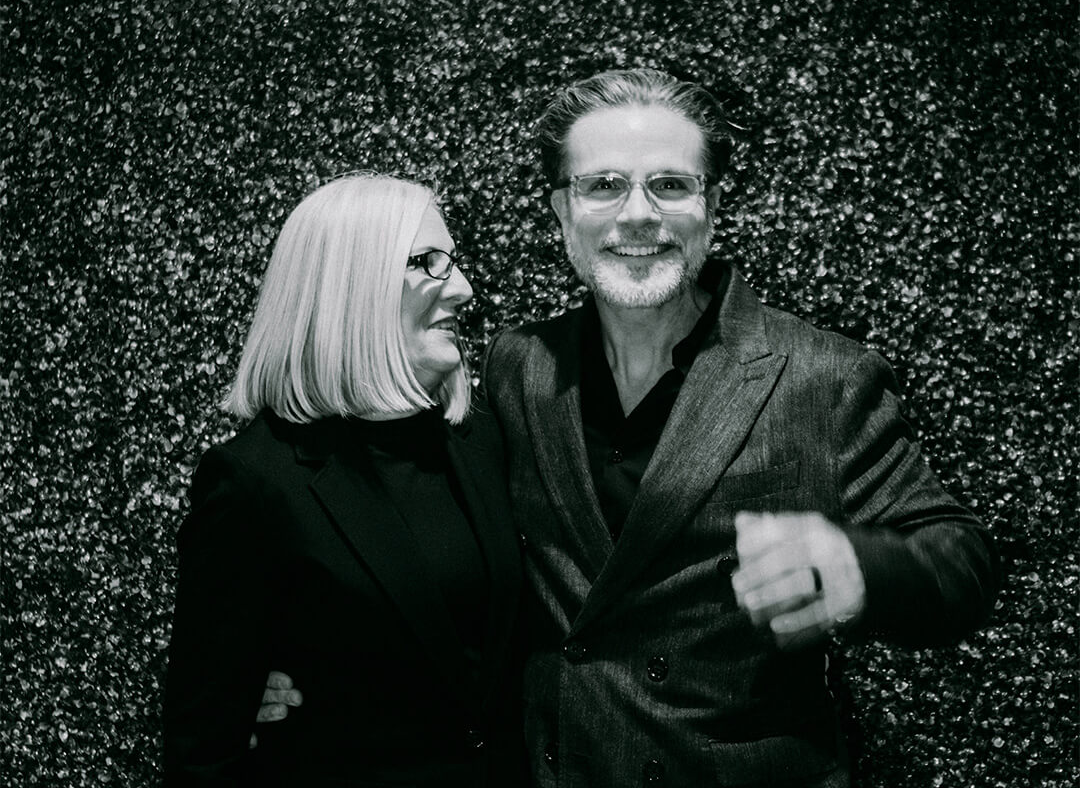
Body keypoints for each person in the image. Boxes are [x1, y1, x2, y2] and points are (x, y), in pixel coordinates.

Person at [259, 70, 1000, 787]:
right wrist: (305, 655)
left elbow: (962, 563)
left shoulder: (822, 374)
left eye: (670, 185)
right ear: (562, 212)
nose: (638, 214)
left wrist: (859, 566)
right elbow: (423, 530)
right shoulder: (520, 365)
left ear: (712, 206)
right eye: (603, 185)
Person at [163, 174, 526, 787]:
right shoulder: (255, 483)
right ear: (350, 287)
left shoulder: (482, 439)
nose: (463, 288)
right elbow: (203, 749)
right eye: (428, 262)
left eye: (454, 260)